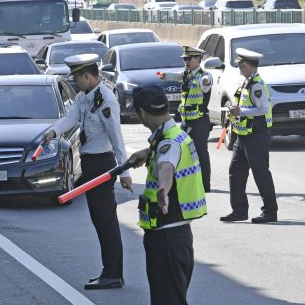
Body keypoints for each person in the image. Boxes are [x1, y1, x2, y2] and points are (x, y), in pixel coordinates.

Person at [42, 54, 133, 290]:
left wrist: (123, 172)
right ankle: (110, 270)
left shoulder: (105, 100)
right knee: (100, 220)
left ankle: (113, 274)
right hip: (90, 163)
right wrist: (52, 132)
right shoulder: (85, 97)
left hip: (102, 164)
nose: (75, 82)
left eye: (77, 77)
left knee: (106, 221)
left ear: (88, 75)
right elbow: (71, 118)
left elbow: (116, 137)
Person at [127, 85, 207, 305]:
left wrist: (163, 189)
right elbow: (166, 156)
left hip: (166, 239)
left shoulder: (168, 143)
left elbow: (166, 168)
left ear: (142, 113)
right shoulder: (175, 135)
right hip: (177, 235)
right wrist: (147, 152)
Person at [220, 48, 278, 223]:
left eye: (239, 65)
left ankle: (270, 212)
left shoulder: (257, 84)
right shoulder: (246, 82)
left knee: (260, 173)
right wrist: (235, 112)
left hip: (257, 136)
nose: (239, 68)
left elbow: (263, 109)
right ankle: (239, 210)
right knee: (235, 172)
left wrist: (241, 111)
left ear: (245, 65)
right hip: (243, 135)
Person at [158, 46, 213, 192]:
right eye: (184, 59)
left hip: (199, 121)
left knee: (201, 152)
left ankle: (205, 184)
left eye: (188, 59)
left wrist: (206, 81)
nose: (186, 62)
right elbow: (174, 76)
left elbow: (206, 82)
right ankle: (186, 181)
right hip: (185, 121)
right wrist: (163, 75)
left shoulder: (204, 76)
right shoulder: (186, 74)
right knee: (181, 150)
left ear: (198, 59)